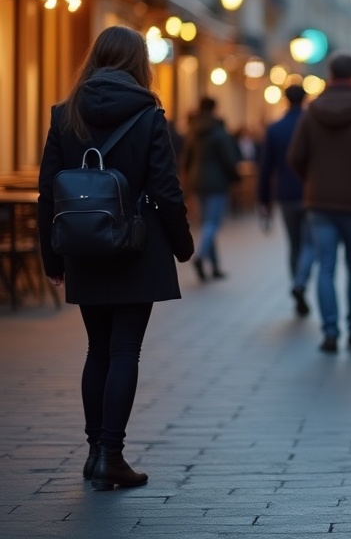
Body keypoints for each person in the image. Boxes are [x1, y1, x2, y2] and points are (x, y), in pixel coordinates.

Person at [37, 25, 195, 490]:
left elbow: (48, 192)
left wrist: (52, 257)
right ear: (139, 63)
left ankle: (93, 453)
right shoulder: (149, 115)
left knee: (97, 349)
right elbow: (166, 190)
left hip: (83, 246)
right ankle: (111, 454)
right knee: (125, 349)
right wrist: (182, 245)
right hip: (137, 247)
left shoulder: (65, 114)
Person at [288, 52, 351, 353]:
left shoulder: (312, 112)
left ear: (330, 77)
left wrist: (312, 180)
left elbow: (295, 157)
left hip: (319, 201)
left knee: (326, 267)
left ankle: (330, 331)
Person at [258, 84, 314, 317]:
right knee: (311, 244)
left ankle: (296, 283)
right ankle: (300, 283)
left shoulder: (275, 129)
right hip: (311, 193)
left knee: (295, 244)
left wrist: (264, 200)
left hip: (286, 194)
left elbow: (266, 168)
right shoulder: (312, 126)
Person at [181, 96, 238, 282]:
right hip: (217, 182)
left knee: (207, 223)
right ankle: (200, 256)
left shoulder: (192, 130)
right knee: (212, 223)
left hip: (198, 180)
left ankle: (214, 267)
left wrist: (187, 179)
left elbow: (186, 158)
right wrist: (234, 177)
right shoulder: (218, 130)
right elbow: (228, 159)